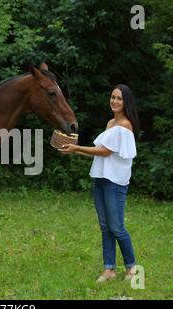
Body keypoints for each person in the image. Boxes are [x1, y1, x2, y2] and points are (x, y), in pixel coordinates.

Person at [59, 84, 140, 282]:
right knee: (105, 227)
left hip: (115, 183)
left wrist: (76, 149)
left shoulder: (125, 126)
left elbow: (105, 151)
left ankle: (131, 267)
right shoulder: (111, 123)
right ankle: (109, 269)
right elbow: (102, 155)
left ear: (126, 102)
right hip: (101, 179)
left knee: (117, 227)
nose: (114, 101)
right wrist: (73, 148)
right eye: (112, 97)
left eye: (119, 98)